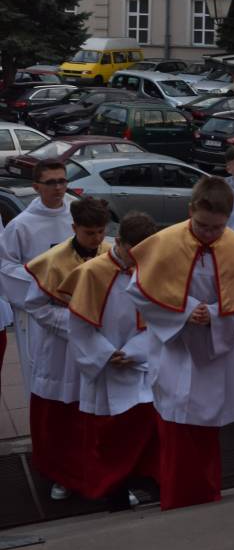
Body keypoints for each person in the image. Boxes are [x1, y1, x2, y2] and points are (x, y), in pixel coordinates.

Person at [126, 174, 234, 510]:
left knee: (206, 431)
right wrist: (186, 311)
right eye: (203, 225)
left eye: (217, 228)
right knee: (175, 428)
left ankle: (207, 494)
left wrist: (217, 315)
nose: (208, 234)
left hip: (213, 352)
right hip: (175, 350)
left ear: (228, 219)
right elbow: (139, 290)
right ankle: (176, 497)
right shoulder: (164, 243)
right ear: (191, 210)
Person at [63, 211, 160, 509]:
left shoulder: (153, 268)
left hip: (139, 363)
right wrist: (105, 354)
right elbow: (78, 325)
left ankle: (149, 482)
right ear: (118, 242)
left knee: (147, 429)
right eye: (134, 251)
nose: (140, 259)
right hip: (105, 365)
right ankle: (114, 491)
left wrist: (135, 351)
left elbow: (160, 318)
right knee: (108, 436)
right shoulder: (92, 273)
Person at [23, 195, 111, 501]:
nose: (96, 239)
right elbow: (36, 306)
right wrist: (78, 323)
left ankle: (106, 478)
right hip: (63, 352)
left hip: (101, 345)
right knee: (61, 419)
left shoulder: (111, 255)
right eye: (89, 233)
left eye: (101, 232)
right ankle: (62, 477)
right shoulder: (52, 261)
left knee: (100, 420)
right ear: (74, 228)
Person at [0, 161, 74, 400]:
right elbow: (6, 267)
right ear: (36, 187)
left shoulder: (77, 214)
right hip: (38, 312)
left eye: (62, 181)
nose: (58, 188)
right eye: (51, 182)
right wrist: (45, 281)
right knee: (42, 373)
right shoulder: (21, 225)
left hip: (75, 306)